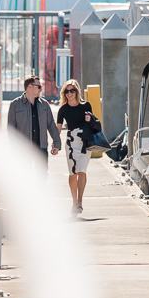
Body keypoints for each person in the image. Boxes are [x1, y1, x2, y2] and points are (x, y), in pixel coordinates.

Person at [56, 80, 93, 216]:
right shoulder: (63, 109)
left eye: (72, 91)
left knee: (82, 170)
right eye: (67, 91)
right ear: (64, 93)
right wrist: (55, 144)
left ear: (77, 92)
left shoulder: (86, 105)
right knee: (73, 173)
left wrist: (90, 120)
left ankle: (80, 202)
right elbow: (58, 128)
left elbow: (93, 123)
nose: (69, 93)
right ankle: (74, 201)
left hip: (85, 142)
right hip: (71, 143)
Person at [6, 76, 60, 162]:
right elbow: (11, 129)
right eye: (39, 87)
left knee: (42, 175)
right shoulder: (15, 105)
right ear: (30, 86)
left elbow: (51, 125)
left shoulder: (44, 105)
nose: (41, 90)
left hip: (41, 148)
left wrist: (57, 143)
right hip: (23, 150)